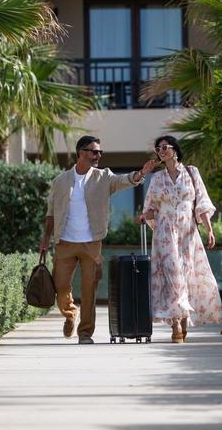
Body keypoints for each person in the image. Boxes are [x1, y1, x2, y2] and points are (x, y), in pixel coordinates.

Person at [40, 135, 157, 345]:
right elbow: (51, 213)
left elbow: (123, 180)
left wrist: (140, 174)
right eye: (94, 152)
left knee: (89, 290)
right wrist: (45, 239)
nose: (98, 156)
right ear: (81, 153)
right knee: (60, 285)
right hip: (64, 242)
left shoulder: (104, 177)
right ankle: (69, 313)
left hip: (91, 243)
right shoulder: (60, 181)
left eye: (100, 152)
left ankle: (85, 333)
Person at [139, 135, 222, 343]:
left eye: (165, 147)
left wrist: (209, 230)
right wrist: (144, 216)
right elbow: (149, 208)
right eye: (158, 148)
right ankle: (176, 322)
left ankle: (184, 317)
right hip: (165, 234)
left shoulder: (191, 173)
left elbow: (201, 204)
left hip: (188, 232)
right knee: (171, 274)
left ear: (175, 150)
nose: (161, 151)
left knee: (186, 273)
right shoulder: (157, 178)